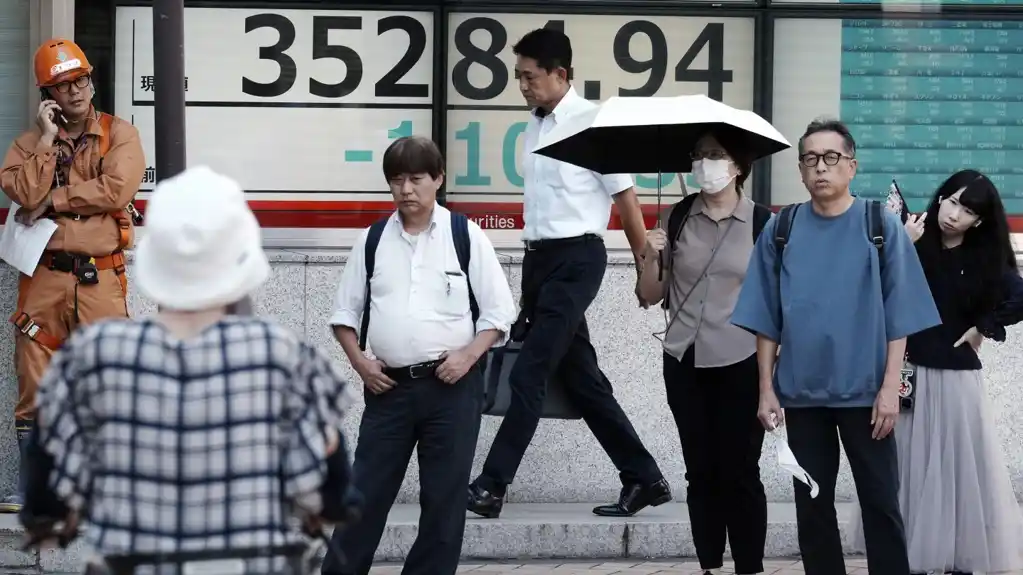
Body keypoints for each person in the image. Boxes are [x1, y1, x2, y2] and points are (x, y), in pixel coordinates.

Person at [25, 166, 353, 572]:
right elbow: (323, 491)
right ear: (241, 261)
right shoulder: (283, 356)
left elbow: (48, 486)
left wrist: (56, 518)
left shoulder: (94, 355)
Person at [467, 26, 670, 521]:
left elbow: (625, 200)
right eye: (518, 77)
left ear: (561, 74)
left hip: (579, 260)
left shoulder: (594, 123)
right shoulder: (535, 125)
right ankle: (644, 476)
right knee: (582, 380)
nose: (523, 86)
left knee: (531, 370)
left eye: (530, 77)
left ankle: (492, 486)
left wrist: (646, 269)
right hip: (540, 262)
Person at [730, 118, 941, 575]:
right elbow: (766, 319)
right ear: (801, 171)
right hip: (801, 396)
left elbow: (901, 312)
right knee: (812, 507)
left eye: (831, 158)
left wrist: (890, 388)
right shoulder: (781, 228)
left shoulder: (878, 224)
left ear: (852, 166)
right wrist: (767, 389)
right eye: (810, 160)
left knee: (881, 503)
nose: (820, 168)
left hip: (867, 394)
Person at [322, 136, 517, 575]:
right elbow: (343, 314)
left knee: (443, 503)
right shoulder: (373, 240)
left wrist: (468, 355)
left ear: (438, 179)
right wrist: (360, 362)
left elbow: (499, 313)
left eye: (416, 178)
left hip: (451, 389)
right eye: (396, 180)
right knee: (363, 496)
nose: (406, 189)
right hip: (388, 388)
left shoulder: (465, 235)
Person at [851, 170, 1023, 575]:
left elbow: (1018, 295)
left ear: (979, 220)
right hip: (906, 372)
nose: (953, 214)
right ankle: (906, 556)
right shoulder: (913, 236)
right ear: (940, 198)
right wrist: (901, 246)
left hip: (956, 376)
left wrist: (984, 327)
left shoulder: (986, 255)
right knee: (905, 469)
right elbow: (871, 289)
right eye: (951, 201)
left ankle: (959, 557)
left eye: (967, 210)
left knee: (958, 471)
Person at [0, 38, 144, 513]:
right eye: (62, 85)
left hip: (100, 279)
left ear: (91, 81)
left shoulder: (119, 133)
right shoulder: (27, 145)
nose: (75, 91)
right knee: (35, 383)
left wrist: (54, 201)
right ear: (48, 96)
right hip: (43, 279)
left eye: (80, 79)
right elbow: (21, 190)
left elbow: (117, 187)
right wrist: (45, 142)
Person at [635, 131, 771, 575]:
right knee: (700, 470)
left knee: (740, 470)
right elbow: (649, 296)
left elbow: (778, 302)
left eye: (715, 156)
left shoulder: (764, 223)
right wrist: (648, 257)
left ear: (738, 167)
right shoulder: (676, 218)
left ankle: (749, 566)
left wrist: (773, 379)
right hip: (683, 358)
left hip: (741, 359)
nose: (704, 165)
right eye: (698, 156)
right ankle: (710, 564)